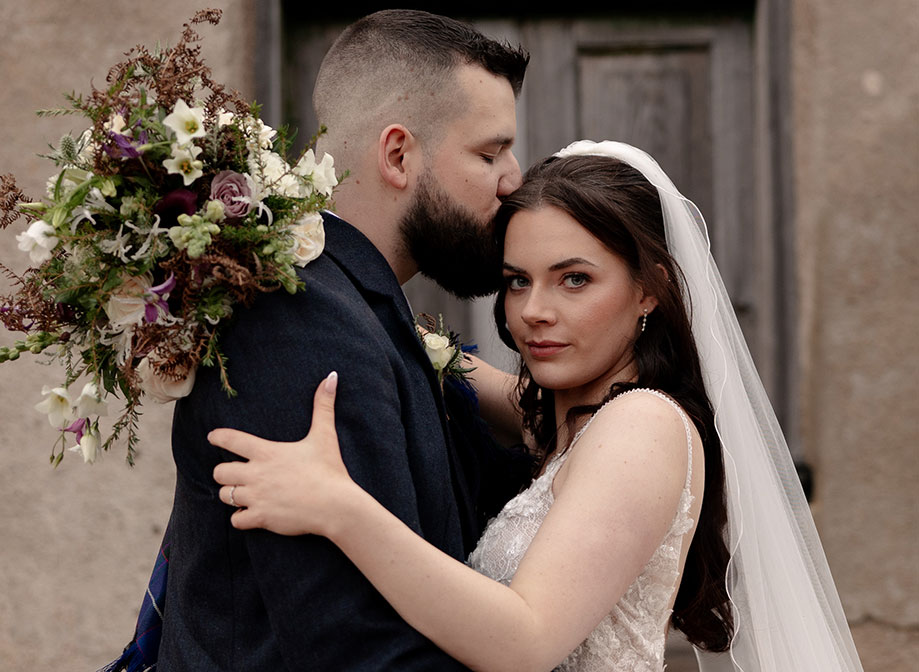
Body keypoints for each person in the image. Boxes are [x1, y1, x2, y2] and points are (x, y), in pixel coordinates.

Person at [210, 141, 866, 671]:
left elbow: (524, 641)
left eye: (573, 279)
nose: (533, 312)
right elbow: (430, 359)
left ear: (648, 291)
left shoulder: (641, 427)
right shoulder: (569, 420)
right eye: (516, 281)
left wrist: (339, 507)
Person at [114, 10, 530, 672]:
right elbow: (352, 647)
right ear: (398, 154)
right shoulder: (296, 322)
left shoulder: (357, 305)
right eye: (488, 153)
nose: (513, 180)